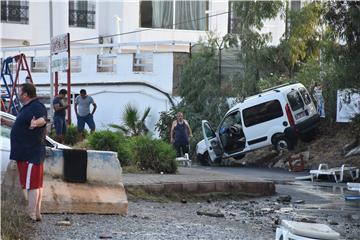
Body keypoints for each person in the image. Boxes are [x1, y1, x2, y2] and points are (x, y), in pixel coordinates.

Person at [10, 83, 48, 221]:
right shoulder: (26, 108)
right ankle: (36, 214)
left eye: (20, 92)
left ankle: (31, 214)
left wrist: (36, 123)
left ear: (25, 94)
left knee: (32, 185)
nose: (19, 94)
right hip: (25, 151)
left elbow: (44, 119)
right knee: (35, 184)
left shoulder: (36, 106)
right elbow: (21, 125)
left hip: (30, 151)